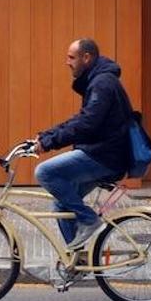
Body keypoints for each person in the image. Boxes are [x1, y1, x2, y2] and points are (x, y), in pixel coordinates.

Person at [34, 38, 132, 250]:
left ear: (86, 58)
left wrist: (50, 142)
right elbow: (81, 119)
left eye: (71, 57)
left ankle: (89, 220)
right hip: (103, 153)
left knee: (44, 172)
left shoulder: (102, 83)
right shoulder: (97, 81)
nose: (67, 62)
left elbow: (88, 124)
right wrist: (46, 136)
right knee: (63, 203)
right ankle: (75, 261)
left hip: (106, 156)